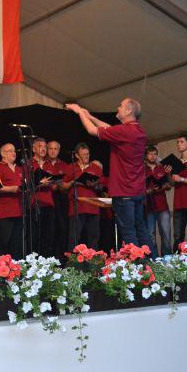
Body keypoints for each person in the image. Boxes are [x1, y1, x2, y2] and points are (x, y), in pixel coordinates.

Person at [66, 99, 153, 249]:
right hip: (137, 191)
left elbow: (92, 131)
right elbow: (110, 128)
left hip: (124, 192)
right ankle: (150, 259)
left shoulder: (124, 131)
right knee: (141, 229)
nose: (118, 108)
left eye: (121, 106)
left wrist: (79, 111)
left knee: (128, 232)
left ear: (129, 111)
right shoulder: (138, 130)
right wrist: (90, 116)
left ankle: (137, 262)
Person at [61, 143, 104, 250]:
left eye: (88, 154)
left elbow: (102, 187)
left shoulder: (95, 168)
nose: (86, 156)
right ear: (77, 155)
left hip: (93, 207)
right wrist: (73, 182)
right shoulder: (71, 167)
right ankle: (72, 259)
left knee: (93, 237)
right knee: (74, 237)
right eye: (83, 154)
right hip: (76, 207)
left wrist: (94, 185)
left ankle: (93, 260)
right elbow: (62, 187)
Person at [0, 143, 24, 259]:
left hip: (19, 211)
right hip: (3, 211)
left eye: (14, 150)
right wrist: (12, 189)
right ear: (2, 153)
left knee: (16, 244)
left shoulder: (20, 169)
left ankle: (15, 267)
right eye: (10, 151)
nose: (14, 153)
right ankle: (0, 268)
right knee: (2, 243)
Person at [31, 138, 57, 257]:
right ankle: (34, 262)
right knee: (35, 236)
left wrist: (55, 183)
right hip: (34, 204)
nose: (43, 149)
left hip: (49, 204)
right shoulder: (28, 164)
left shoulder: (49, 164)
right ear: (33, 149)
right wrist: (39, 184)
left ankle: (48, 262)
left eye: (44, 147)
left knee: (49, 236)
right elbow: (25, 185)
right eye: (40, 146)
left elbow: (55, 186)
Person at [144, 145, 171, 257]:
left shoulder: (162, 168)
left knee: (166, 234)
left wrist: (164, 184)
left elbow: (169, 185)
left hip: (162, 206)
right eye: (150, 154)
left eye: (155, 154)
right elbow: (138, 189)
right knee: (150, 235)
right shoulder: (142, 170)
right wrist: (148, 191)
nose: (153, 156)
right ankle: (154, 259)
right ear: (146, 156)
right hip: (148, 207)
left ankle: (167, 259)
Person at [47, 140, 69, 255]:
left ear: (59, 150)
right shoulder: (43, 164)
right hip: (47, 200)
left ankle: (61, 257)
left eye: (55, 149)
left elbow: (68, 182)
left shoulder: (65, 165)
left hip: (62, 200)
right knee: (49, 231)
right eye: (50, 148)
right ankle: (48, 258)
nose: (53, 151)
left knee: (62, 229)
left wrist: (61, 186)